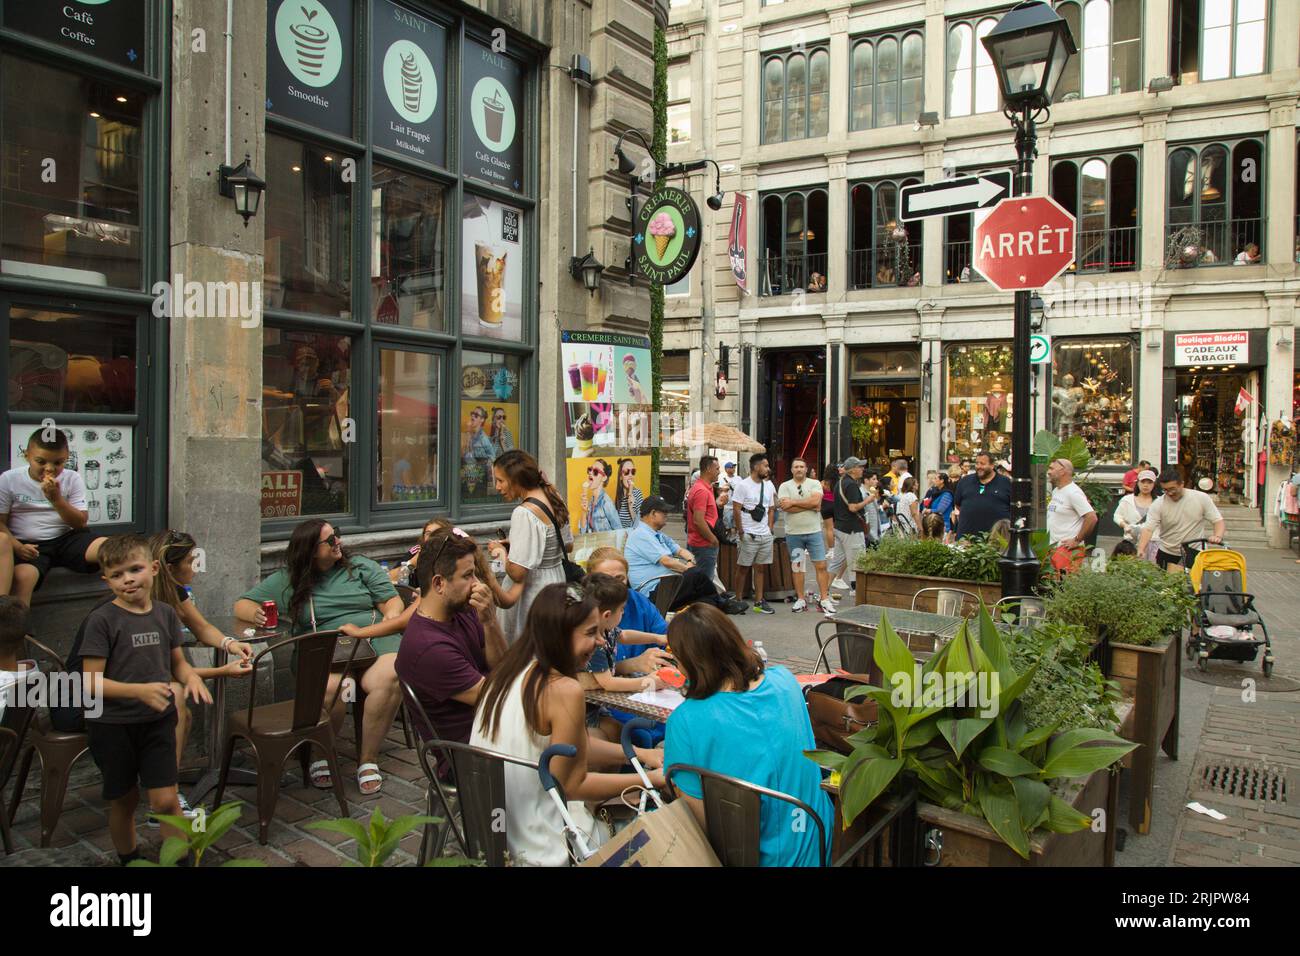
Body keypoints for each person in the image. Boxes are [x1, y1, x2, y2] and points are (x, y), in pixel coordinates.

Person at [470, 582, 666, 866]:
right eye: (591, 633)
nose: (601, 641)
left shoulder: (509, 670)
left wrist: (641, 755)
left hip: (495, 830)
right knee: (655, 833)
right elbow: (572, 785)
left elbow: (573, 746)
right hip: (543, 843)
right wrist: (649, 780)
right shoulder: (562, 688)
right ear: (559, 636)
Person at [234, 518, 404, 795]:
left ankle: (368, 759)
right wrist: (257, 614)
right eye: (329, 540)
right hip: (325, 647)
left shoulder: (360, 567)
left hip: (373, 638)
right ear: (311, 550)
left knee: (390, 676)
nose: (338, 542)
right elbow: (242, 603)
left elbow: (391, 600)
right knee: (332, 690)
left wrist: (390, 617)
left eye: (336, 535)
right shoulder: (289, 579)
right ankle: (321, 753)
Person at [662, 603, 833, 867]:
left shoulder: (685, 720)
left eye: (673, 651)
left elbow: (699, 828)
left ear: (687, 661)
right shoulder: (785, 680)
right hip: (818, 842)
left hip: (756, 858)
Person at [81, 535, 211, 865]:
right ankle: (130, 858)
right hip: (113, 725)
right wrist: (139, 691)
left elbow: (176, 662)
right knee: (124, 800)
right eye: (118, 574)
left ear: (153, 569)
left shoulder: (166, 614)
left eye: (135, 569)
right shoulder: (102, 621)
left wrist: (192, 677)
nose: (128, 579)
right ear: (106, 580)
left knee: (166, 800)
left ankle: (180, 860)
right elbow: (91, 682)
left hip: (157, 721)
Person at [149, 530, 253, 813]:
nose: (196, 566)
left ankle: (165, 787)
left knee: (181, 708)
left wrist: (231, 643)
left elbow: (201, 627)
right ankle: (166, 801)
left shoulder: (174, 592)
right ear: (170, 568)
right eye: (191, 560)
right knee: (178, 703)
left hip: (157, 682)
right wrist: (223, 670)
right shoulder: (148, 604)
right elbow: (170, 672)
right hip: (117, 687)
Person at [394, 528, 508, 753]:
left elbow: (502, 667)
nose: (477, 584)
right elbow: (499, 700)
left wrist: (490, 621)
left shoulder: (462, 610)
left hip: (497, 733)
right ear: (438, 584)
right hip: (476, 757)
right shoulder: (429, 648)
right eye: (467, 576)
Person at [0, 426, 108, 605]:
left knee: (112, 549)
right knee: (23, 577)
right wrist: (18, 547)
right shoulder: (9, 479)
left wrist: (56, 500)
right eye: (41, 461)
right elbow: (1, 523)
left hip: (66, 538)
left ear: (66, 458)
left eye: (58, 463)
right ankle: (17, 629)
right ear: (26, 456)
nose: (49, 469)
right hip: (28, 544)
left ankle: (124, 606)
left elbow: (80, 523)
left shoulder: (72, 478)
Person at [487, 450, 574, 644]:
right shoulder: (553, 496)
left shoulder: (524, 513)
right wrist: (517, 544)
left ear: (515, 479)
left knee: (526, 651)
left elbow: (518, 573)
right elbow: (567, 545)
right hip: (556, 581)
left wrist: (501, 552)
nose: (497, 487)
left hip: (533, 591)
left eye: (500, 480)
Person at [579, 573, 669, 741]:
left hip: (598, 708)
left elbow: (625, 636)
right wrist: (648, 682)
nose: (623, 613)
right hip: (585, 714)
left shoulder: (606, 628)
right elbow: (608, 683)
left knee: (636, 734)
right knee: (637, 736)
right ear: (607, 615)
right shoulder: (594, 644)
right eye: (621, 610)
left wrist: (657, 638)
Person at [584, 548, 674, 675]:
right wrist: (633, 665)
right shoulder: (583, 619)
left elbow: (665, 638)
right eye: (606, 580)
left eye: (620, 578)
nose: (614, 586)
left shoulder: (638, 602)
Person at [625, 497, 724, 611]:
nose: (667, 515)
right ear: (653, 513)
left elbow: (680, 551)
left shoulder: (658, 534)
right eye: (664, 512)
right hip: (653, 592)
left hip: (666, 585)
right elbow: (666, 562)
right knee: (697, 576)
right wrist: (688, 570)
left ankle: (718, 607)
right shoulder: (641, 535)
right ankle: (722, 603)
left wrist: (690, 561)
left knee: (704, 599)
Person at [778, 458, 835, 616]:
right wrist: (808, 505)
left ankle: (824, 599)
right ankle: (801, 599)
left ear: (806, 469)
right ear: (791, 469)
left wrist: (794, 503)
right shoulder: (784, 486)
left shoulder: (815, 483)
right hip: (793, 533)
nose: (799, 469)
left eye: (802, 466)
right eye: (796, 466)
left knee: (821, 566)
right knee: (797, 567)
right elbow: (785, 507)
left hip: (814, 532)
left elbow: (817, 502)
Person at [1137, 468, 1225, 570]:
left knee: (1193, 584)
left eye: (1172, 489)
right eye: (1165, 490)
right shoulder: (1158, 504)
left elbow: (1217, 520)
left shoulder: (1201, 498)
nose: (1169, 493)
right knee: (1166, 584)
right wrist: (1141, 549)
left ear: (1182, 484)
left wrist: (1217, 536)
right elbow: (1148, 529)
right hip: (1167, 551)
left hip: (1193, 551)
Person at [731, 453, 777, 615]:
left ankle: (759, 601)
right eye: (765, 465)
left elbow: (771, 508)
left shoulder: (769, 485)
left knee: (761, 568)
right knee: (743, 568)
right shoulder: (743, 485)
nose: (768, 468)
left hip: (764, 534)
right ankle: (738, 600)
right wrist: (741, 530)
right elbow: (736, 508)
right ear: (756, 467)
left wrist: (770, 528)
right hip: (748, 533)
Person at [827, 457, 868, 591]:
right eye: (860, 467)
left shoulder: (840, 482)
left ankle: (824, 591)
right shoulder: (851, 485)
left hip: (840, 526)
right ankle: (856, 589)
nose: (862, 469)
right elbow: (853, 507)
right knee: (857, 560)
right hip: (851, 528)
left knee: (836, 562)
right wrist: (869, 500)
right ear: (853, 469)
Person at [953, 452, 1012, 539]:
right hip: (967, 539)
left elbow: (1012, 507)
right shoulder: (965, 481)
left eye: (982, 464)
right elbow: (958, 505)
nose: (979, 466)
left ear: (992, 465)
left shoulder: (1005, 482)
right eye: (977, 463)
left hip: (996, 540)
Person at [1045, 458, 1097, 549]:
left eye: (1052, 469)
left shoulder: (1073, 492)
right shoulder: (1057, 490)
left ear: (1062, 472)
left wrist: (1077, 540)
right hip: (1054, 548)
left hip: (1067, 550)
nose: (1048, 472)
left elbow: (1092, 517)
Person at [686, 456, 722, 582]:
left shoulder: (706, 487)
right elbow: (698, 520)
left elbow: (706, 513)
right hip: (703, 545)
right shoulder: (701, 490)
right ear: (708, 469)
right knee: (704, 584)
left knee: (700, 582)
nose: (719, 471)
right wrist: (713, 540)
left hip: (701, 543)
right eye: (717, 468)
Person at [1114, 469, 1158, 545]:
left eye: (1149, 482)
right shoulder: (1127, 500)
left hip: (1153, 542)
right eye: (1143, 482)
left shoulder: (1159, 502)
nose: (1146, 485)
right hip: (1131, 540)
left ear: (1154, 484)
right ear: (1137, 483)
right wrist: (1125, 525)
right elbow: (1117, 516)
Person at [578, 458, 621, 533]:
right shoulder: (591, 501)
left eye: (595, 471)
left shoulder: (606, 502)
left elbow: (620, 531)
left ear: (604, 478)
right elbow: (583, 531)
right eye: (590, 469)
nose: (590, 473)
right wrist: (584, 511)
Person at [613, 457, 643, 530]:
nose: (630, 475)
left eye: (633, 472)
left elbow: (640, 525)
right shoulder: (619, 496)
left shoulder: (638, 494)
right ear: (620, 476)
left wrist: (631, 508)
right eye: (626, 472)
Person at [924, 472, 956, 538]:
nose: (934, 480)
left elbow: (941, 510)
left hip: (943, 525)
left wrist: (929, 510)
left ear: (942, 481)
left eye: (936, 478)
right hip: (933, 524)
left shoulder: (947, 494)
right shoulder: (936, 492)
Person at [719, 460, 739, 536]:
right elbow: (719, 490)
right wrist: (724, 488)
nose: (734, 468)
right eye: (732, 467)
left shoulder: (738, 478)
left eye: (734, 467)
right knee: (727, 526)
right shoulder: (722, 478)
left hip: (737, 505)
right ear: (726, 469)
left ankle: (736, 541)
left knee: (737, 525)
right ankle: (728, 541)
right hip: (727, 506)